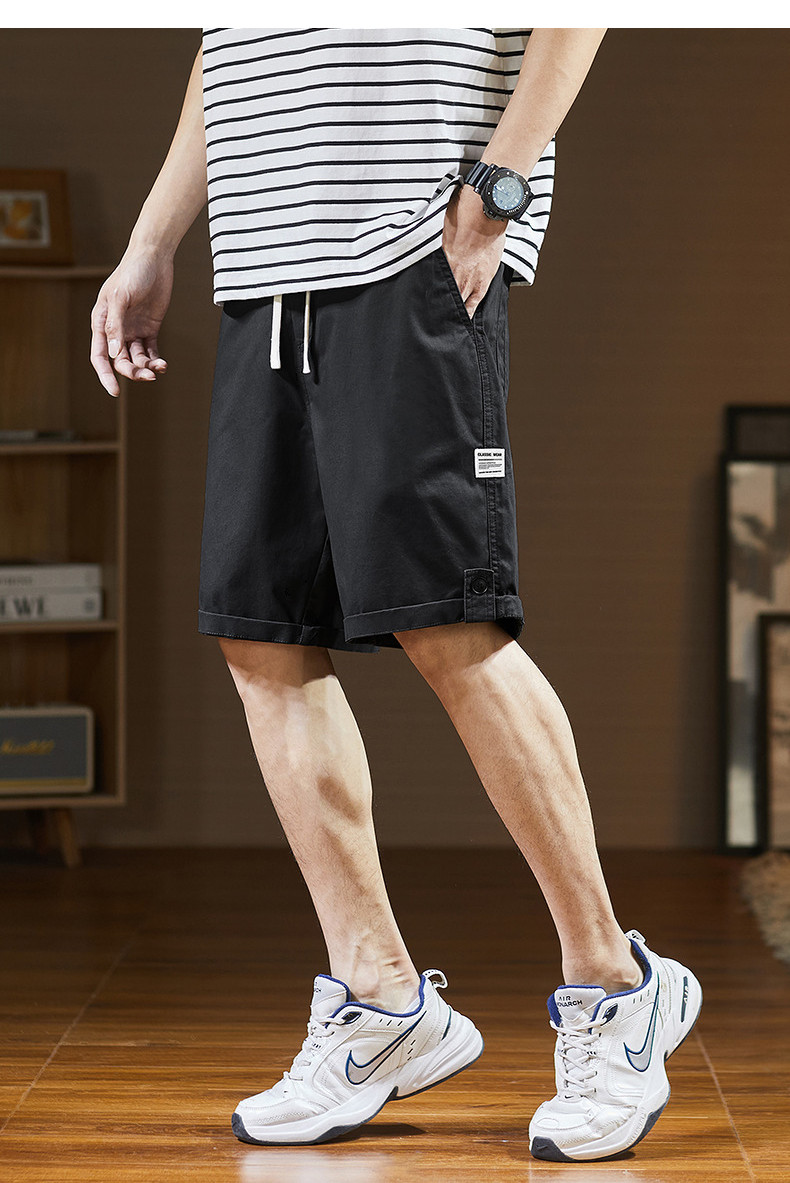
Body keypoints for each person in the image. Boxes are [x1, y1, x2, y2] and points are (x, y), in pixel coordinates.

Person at [90, 27, 702, 1162]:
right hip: (265, 272)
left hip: (410, 242)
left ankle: (617, 986)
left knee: (449, 620)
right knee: (262, 641)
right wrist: (151, 241)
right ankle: (380, 1001)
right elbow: (228, 45)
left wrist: (499, 183)